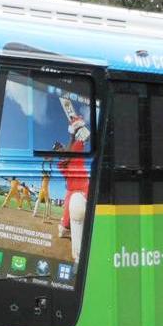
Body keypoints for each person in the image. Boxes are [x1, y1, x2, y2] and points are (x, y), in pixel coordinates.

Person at [56, 112, 91, 262]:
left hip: (85, 187)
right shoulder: (61, 163)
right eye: (57, 150)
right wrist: (72, 133)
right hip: (72, 192)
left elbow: (85, 137)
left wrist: (79, 127)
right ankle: (78, 255)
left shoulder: (74, 149)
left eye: (60, 147)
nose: (60, 149)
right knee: (68, 219)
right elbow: (67, 157)